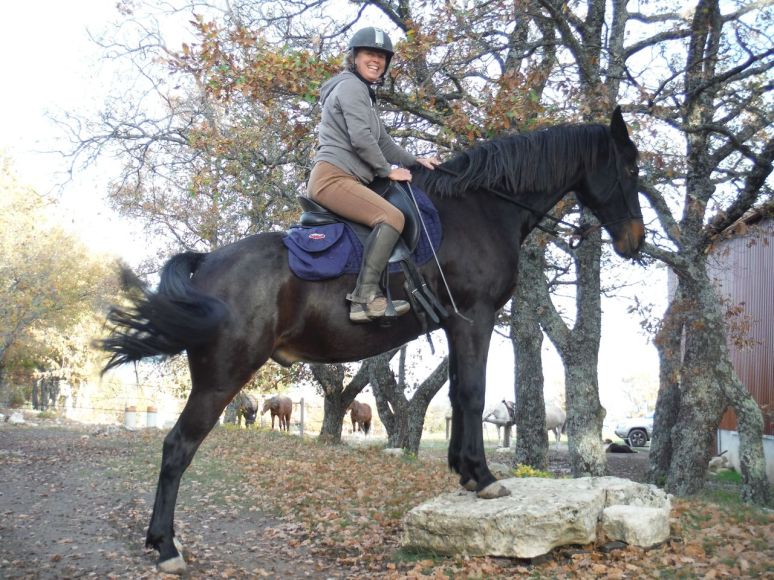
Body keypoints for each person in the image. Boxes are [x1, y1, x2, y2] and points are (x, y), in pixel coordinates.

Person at [307, 26, 440, 323]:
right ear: (354, 57)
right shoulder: (350, 86)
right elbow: (361, 139)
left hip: (347, 178)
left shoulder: (364, 96)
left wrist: (416, 161)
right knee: (392, 217)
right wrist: (386, 172)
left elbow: (383, 142)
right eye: (370, 53)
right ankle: (364, 296)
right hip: (333, 178)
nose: (376, 60)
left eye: (381, 57)